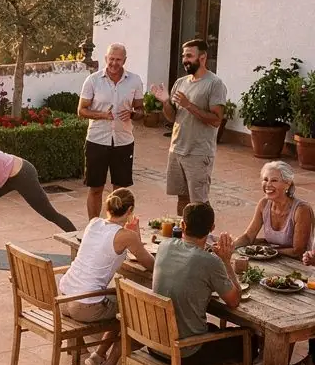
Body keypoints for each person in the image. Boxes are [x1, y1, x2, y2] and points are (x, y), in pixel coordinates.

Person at [152, 200, 242, 365]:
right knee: (247, 342)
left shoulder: (164, 246)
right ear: (212, 229)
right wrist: (226, 261)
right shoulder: (210, 262)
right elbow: (234, 300)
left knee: (213, 331)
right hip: (184, 350)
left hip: (155, 343)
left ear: (182, 225)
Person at [57, 187, 154, 365]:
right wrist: (135, 236)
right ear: (130, 211)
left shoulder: (94, 223)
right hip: (85, 305)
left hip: (64, 298)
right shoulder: (126, 236)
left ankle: (99, 355)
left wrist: (131, 235)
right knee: (133, 309)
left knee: (119, 301)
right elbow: (150, 264)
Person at [152, 39, 228, 214]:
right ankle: (184, 234)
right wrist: (165, 102)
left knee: (199, 202)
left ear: (202, 58)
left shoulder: (214, 84)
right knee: (182, 198)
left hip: (199, 152)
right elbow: (173, 117)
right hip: (177, 149)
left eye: (189, 56)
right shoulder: (180, 82)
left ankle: (204, 236)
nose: (185, 59)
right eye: (183, 56)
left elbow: (216, 119)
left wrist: (189, 105)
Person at [77, 44, 144, 220]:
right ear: (106, 58)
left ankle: (117, 227)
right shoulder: (93, 80)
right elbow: (81, 110)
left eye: (118, 60)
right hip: (97, 140)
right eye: (111, 59)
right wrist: (101, 115)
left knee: (121, 191)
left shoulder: (135, 81)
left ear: (124, 60)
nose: (114, 63)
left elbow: (140, 111)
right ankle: (93, 226)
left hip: (123, 141)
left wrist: (132, 114)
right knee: (96, 187)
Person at [233, 160, 313, 259]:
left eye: (274, 180)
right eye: (265, 179)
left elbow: (298, 251)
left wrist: (268, 250)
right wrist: (231, 246)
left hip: (298, 264)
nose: (268, 184)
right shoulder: (264, 204)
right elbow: (249, 237)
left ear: (287, 184)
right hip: (273, 260)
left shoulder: (301, 210)